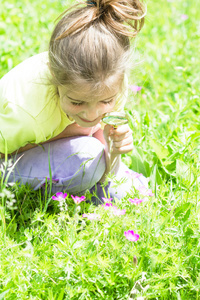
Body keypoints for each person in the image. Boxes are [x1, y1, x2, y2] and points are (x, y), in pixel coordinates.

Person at [0, 0, 147, 204]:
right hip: (6, 161)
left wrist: (112, 150)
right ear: (54, 75)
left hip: (75, 150)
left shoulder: (111, 81)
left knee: (135, 195)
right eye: (77, 102)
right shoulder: (27, 112)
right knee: (85, 159)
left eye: (106, 101)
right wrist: (67, 134)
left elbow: (106, 168)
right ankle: (32, 200)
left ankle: (74, 191)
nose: (92, 114)